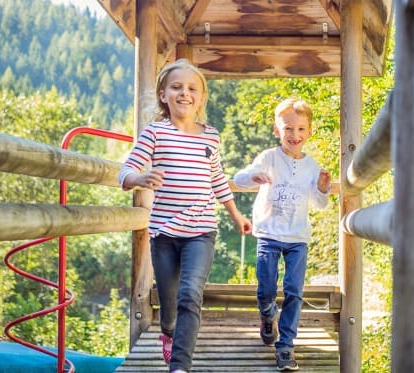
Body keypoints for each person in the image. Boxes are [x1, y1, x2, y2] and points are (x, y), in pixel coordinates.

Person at [118, 59, 252, 373]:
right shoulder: (155, 133)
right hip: (164, 234)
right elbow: (126, 170)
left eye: (192, 89)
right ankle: (167, 331)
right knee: (168, 305)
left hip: (202, 232)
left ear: (201, 98)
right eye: (176, 87)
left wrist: (236, 215)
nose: (184, 93)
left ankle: (180, 366)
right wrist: (138, 179)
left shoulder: (210, 137)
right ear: (163, 94)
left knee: (190, 293)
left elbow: (217, 179)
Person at [233, 98, 331, 371]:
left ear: (309, 132)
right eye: (288, 129)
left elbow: (320, 204)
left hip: (298, 237)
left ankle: (286, 346)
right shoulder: (269, 158)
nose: (294, 135)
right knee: (266, 288)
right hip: (269, 233)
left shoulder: (312, 167)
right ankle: (267, 314)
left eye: (301, 129)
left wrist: (323, 188)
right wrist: (254, 177)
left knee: (294, 292)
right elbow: (240, 178)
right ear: (277, 131)